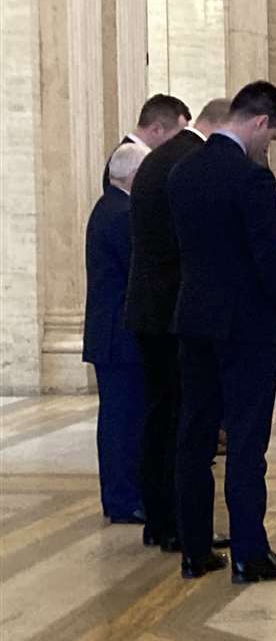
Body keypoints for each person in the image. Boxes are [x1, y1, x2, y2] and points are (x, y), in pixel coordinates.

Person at [170, 81, 276, 584]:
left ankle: (195, 549)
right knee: (247, 441)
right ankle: (249, 553)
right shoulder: (251, 179)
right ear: (258, 122)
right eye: (271, 139)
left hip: (193, 319)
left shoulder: (182, 172)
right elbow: (269, 255)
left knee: (195, 436)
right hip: (246, 327)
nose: (268, 149)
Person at [125, 98, 230, 553]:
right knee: (184, 422)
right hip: (176, 312)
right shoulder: (192, 162)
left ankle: (159, 520)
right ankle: (181, 528)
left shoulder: (156, 160)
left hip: (148, 308)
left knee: (160, 417)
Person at [83, 142, 149, 525]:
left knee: (120, 418)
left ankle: (122, 494)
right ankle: (123, 498)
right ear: (133, 176)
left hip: (112, 334)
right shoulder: (121, 213)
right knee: (122, 421)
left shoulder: (108, 207)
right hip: (118, 336)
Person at [105, 94, 190, 190]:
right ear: (156, 129)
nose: (180, 142)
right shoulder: (130, 161)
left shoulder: (128, 156)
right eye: (178, 135)